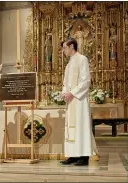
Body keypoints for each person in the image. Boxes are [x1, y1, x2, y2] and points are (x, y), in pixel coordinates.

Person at [60, 38, 96, 166]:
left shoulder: (82, 59)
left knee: (81, 127)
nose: (63, 51)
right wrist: (65, 92)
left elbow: (85, 81)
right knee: (71, 128)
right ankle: (73, 155)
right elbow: (65, 82)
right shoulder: (69, 64)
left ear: (71, 46)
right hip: (71, 100)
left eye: (64, 48)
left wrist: (72, 93)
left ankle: (83, 156)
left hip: (79, 100)